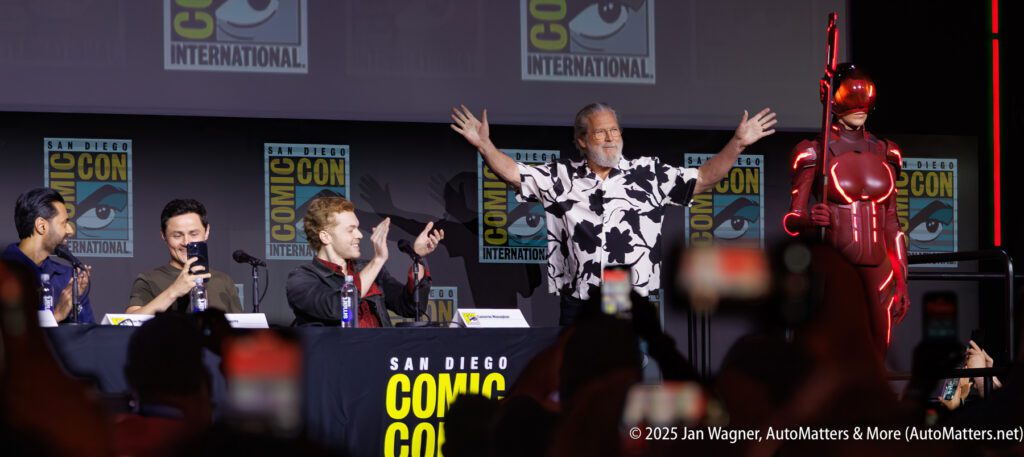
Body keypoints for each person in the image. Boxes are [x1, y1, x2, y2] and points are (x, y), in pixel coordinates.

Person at [450, 102, 777, 324]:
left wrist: (737, 144)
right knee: (577, 390)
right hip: (579, 301)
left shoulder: (648, 174)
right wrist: (485, 147)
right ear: (581, 140)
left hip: (627, 298)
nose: (609, 139)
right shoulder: (561, 176)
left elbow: (704, 178)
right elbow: (514, 174)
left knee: (620, 388)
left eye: (614, 131)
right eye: (599, 133)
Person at [783, 63, 909, 357]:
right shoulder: (814, 151)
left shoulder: (886, 152)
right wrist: (811, 220)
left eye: (863, 98)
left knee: (878, 349)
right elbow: (792, 219)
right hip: (835, 269)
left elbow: (891, 221)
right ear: (832, 98)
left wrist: (902, 278)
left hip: (880, 271)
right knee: (833, 351)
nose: (858, 105)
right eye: (849, 97)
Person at [285, 196, 444, 327]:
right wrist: (378, 260)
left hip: (382, 356)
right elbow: (338, 308)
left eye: (358, 228)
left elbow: (409, 307)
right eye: (350, 229)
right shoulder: (301, 279)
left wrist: (417, 258)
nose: (360, 235)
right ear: (325, 236)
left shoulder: (369, 270)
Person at [127, 199, 241, 314]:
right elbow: (129, 321)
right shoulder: (148, 280)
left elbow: (240, 327)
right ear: (164, 235)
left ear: (206, 232)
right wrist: (174, 291)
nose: (186, 242)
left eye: (194, 234)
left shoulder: (224, 281)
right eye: (177, 235)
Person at [2, 187, 93, 323]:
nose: (70, 230)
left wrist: (76, 303)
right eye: (64, 223)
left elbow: (88, 334)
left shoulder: (68, 278)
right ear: (41, 226)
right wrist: (55, 316)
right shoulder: (4, 274)